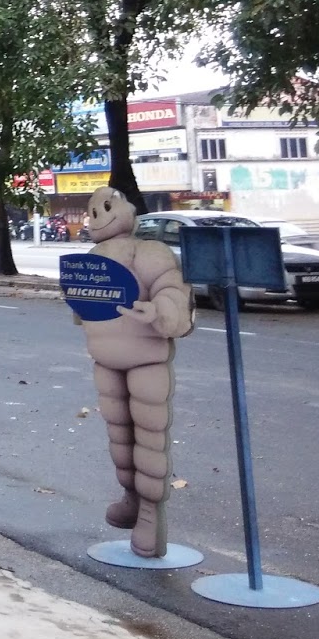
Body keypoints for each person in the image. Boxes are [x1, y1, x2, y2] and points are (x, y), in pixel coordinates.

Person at [74, 186, 194, 558]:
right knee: (119, 435)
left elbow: (172, 291)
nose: (98, 215)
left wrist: (159, 310)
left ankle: (149, 513)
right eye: (93, 210)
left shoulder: (151, 253)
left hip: (147, 361)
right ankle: (131, 496)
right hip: (106, 360)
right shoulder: (94, 258)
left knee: (150, 435)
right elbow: (82, 309)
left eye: (107, 206)